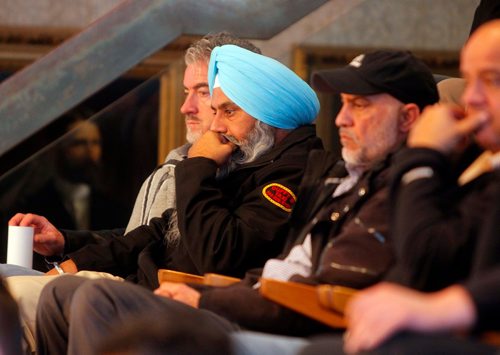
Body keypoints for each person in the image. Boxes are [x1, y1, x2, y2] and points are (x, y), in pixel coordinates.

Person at [35, 49, 439, 355]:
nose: (214, 126)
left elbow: (222, 256)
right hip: (222, 299)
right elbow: (160, 233)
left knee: (91, 298)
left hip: (261, 320)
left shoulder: (296, 174)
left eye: (227, 110)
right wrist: (72, 250)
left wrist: (196, 169)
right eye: (344, 104)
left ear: (269, 116)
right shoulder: (291, 171)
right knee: (57, 292)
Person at [2, 32, 262, 352]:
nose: (185, 107)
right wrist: (67, 242)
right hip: (123, 287)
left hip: (154, 301)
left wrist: (74, 263)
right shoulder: (183, 160)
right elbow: (138, 238)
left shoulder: (220, 172)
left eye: (201, 92)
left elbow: (193, 256)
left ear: (238, 97)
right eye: (185, 92)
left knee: (15, 298)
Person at [301, 19, 500, 355]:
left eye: (492, 80)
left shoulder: (434, 172)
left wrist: (422, 156)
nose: (472, 98)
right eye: (469, 80)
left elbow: (425, 262)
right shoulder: (485, 175)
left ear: (409, 118)